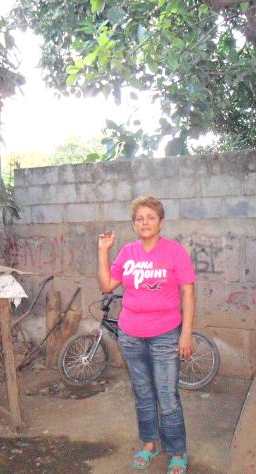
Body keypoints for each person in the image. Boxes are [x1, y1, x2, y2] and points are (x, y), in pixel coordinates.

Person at [97, 195, 195, 474]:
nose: (145, 222)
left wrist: (186, 333)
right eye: (139, 219)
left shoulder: (175, 252)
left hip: (165, 334)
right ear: (134, 224)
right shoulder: (128, 252)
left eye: (151, 217)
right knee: (143, 392)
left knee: (167, 395)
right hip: (130, 334)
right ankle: (150, 443)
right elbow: (107, 285)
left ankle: (176, 450)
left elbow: (188, 293)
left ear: (161, 222)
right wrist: (104, 251)